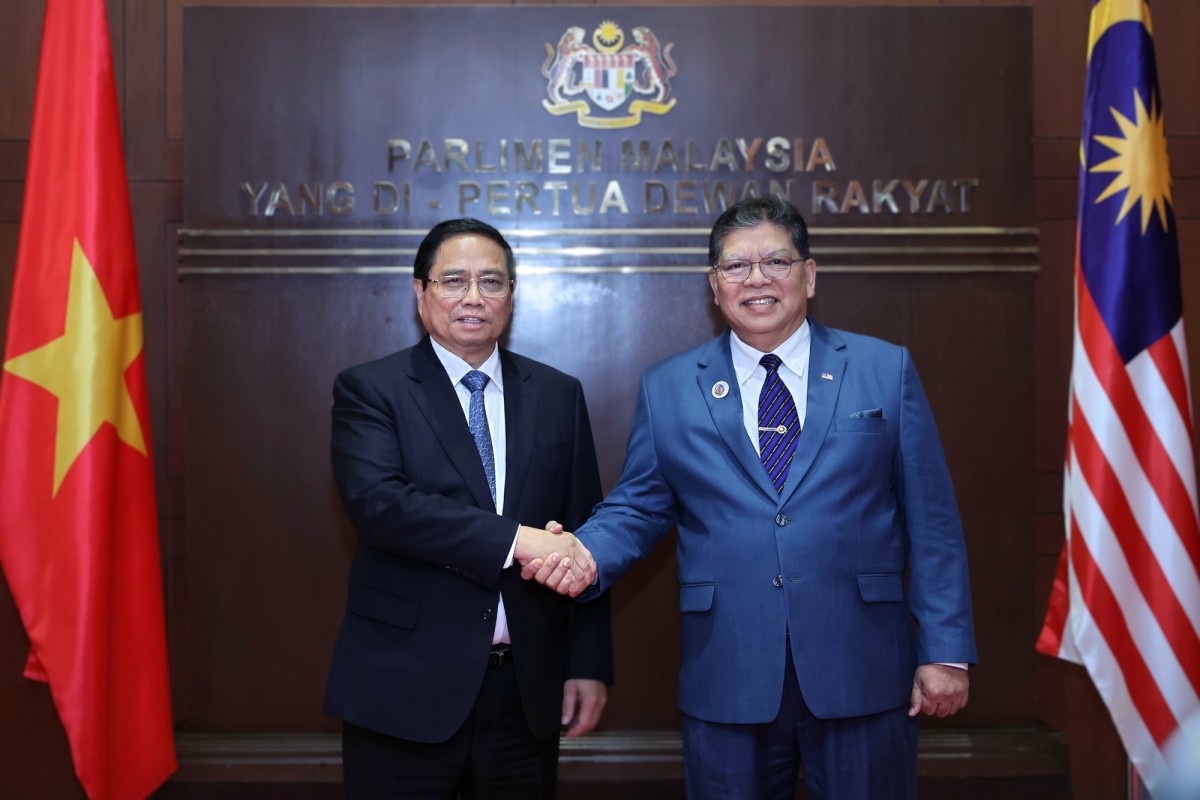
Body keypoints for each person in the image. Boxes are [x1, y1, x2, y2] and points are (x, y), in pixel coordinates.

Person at [525, 197, 976, 800]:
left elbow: (934, 521)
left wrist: (946, 650)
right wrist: (581, 553)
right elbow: (639, 505)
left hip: (862, 667)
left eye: (776, 262)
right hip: (729, 671)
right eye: (736, 267)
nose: (756, 280)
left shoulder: (882, 369)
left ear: (809, 276)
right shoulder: (669, 387)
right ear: (715, 286)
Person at [325, 218, 613, 799]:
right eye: (454, 280)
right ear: (420, 291)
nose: (474, 297)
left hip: (525, 693)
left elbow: (585, 530)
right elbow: (382, 506)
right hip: (404, 689)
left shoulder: (557, 394)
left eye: (493, 281)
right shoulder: (371, 389)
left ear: (512, 293)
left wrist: (587, 662)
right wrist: (520, 540)